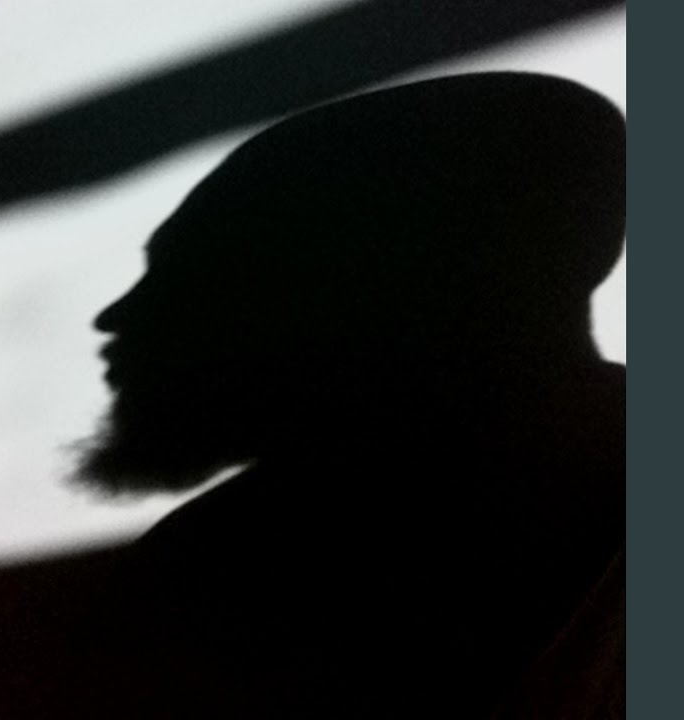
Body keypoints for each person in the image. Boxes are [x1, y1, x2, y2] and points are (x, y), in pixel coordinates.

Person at [67, 72, 626, 718]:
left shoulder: (211, 579)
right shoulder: (212, 566)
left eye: (193, 274)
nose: (117, 316)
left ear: (380, 284)